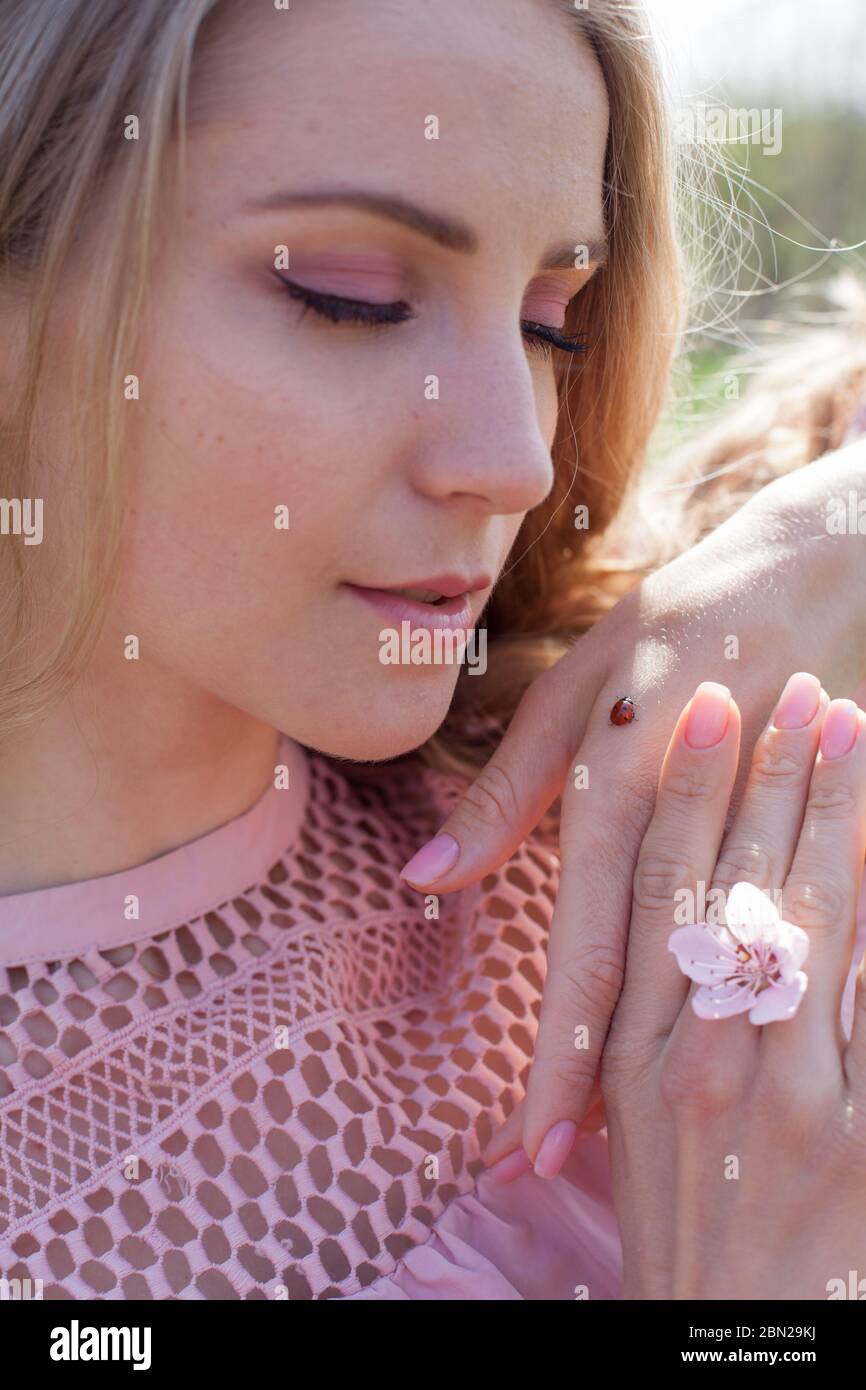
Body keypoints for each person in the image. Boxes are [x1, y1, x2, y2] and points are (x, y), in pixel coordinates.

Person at [0, 0, 864, 1300]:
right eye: (350, 299)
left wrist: (821, 535)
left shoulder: (674, 828)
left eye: (549, 318)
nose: (514, 460)